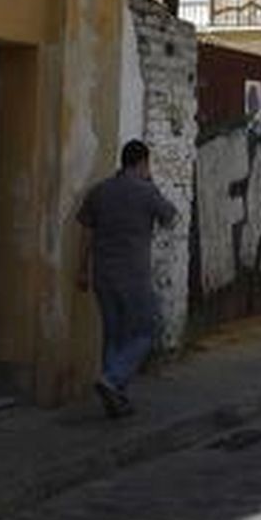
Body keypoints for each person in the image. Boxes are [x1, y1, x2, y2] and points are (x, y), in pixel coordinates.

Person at [76, 139, 178, 418]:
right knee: (148, 330)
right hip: (133, 275)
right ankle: (112, 379)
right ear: (143, 162)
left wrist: (82, 269)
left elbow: (86, 232)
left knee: (114, 334)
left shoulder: (99, 191)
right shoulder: (146, 191)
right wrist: (151, 184)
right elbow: (170, 218)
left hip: (102, 275)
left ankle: (116, 397)